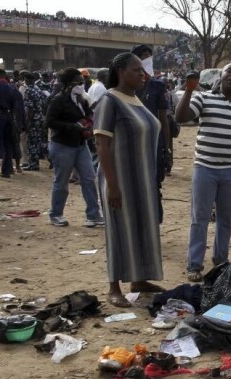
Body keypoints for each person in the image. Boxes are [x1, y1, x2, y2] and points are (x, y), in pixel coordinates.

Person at [93, 52, 164, 308]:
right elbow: (102, 144)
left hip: (142, 178)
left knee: (143, 226)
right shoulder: (109, 101)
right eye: (136, 70)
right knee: (119, 230)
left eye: (142, 70)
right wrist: (112, 185)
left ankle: (139, 280)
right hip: (120, 179)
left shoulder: (136, 99)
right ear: (121, 72)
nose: (142, 74)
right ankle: (114, 287)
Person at [175, 64, 231, 283]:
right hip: (205, 168)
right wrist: (190, 90)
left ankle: (220, 262)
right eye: (228, 71)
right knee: (199, 217)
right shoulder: (203, 99)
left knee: (225, 219)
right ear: (220, 77)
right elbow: (180, 117)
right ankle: (195, 265)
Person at [45, 68, 103, 227]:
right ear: (68, 84)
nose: (82, 85)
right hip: (62, 145)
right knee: (61, 182)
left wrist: (88, 122)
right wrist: (73, 126)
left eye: (83, 82)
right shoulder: (58, 100)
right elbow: (49, 122)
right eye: (79, 83)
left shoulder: (82, 99)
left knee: (89, 178)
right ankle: (56, 214)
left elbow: (86, 117)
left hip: (80, 145)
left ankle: (93, 215)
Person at [131, 44, 171, 223]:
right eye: (142, 56)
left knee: (154, 184)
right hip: (131, 144)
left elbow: (164, 119)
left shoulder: (157, 86)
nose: (147, 59)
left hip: (154, 144)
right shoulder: (125, 85)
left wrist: (167, 148)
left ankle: (154, 221)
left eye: (148, 56)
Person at [21, 72, 47, 171]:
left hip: (33, 119)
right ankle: (37, 162)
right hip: (40, 118)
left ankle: (34, 164)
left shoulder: (29, 90)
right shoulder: (38, 89)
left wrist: (28, 122)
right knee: (38, 141)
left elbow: (30, 108)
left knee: (32, 142)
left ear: (27, 80)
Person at [0, 69, 18, 178]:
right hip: (9, 116)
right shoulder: (11, 87)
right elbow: (16, 104)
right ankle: (6, 171)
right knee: (7, 144)